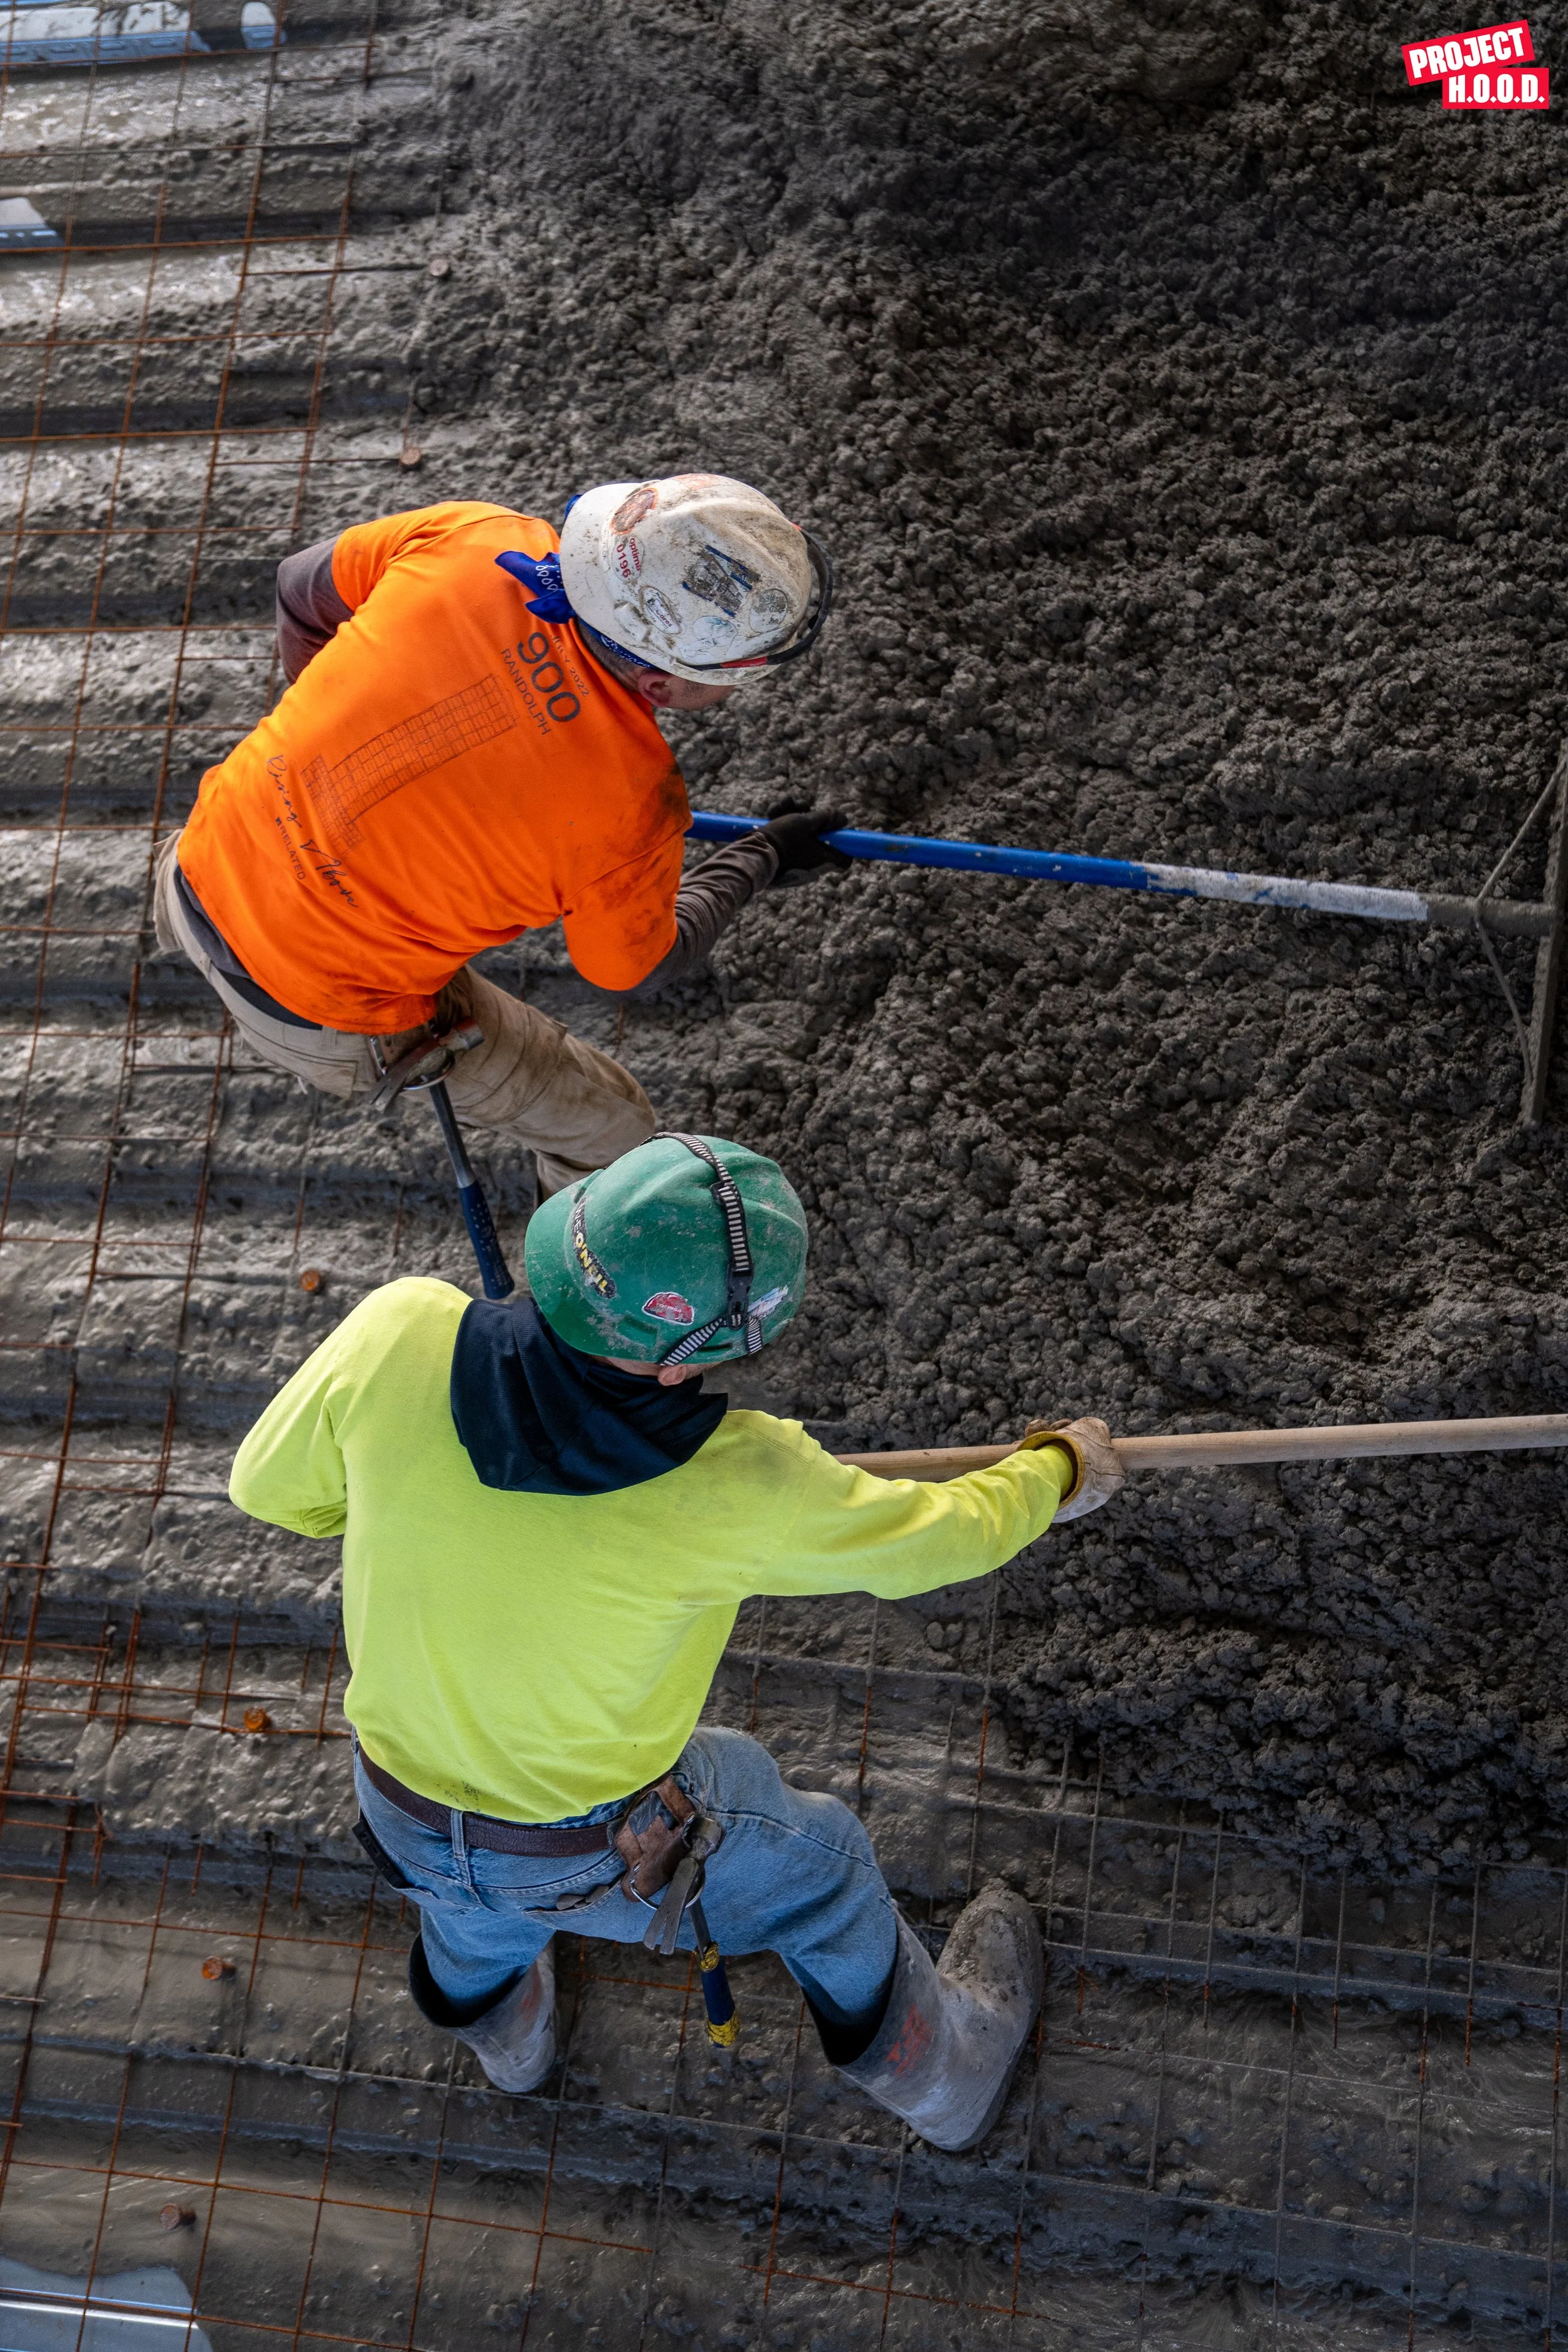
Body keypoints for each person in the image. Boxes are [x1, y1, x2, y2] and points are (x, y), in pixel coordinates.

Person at [228, 1133, 1124, 2150]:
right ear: (697, 1350)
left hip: (399, 1804)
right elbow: (936, 1543)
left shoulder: (398, 1329)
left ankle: (513, 2045)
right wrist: (1053, 1470)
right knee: (819, 1861)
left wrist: (416, 1485)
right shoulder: (740, 1480)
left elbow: (268, 1491)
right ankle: (944, 2078)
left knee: (471, 1911)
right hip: (586, 1843)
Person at [153, 475, 847, 1195]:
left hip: (195, 864)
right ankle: (569, 1282)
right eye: (738, 674)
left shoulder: (477, 539)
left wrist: (338, 733)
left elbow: (300, 587)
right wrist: (764, 856)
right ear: (662, 686)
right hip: (319, 1012)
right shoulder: (632, 804)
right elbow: (633, 969)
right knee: (614, 1133)